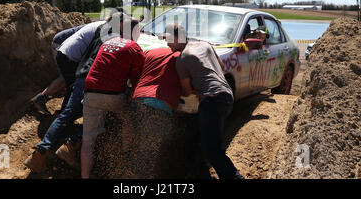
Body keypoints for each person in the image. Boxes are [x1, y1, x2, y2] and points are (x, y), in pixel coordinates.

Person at [23, 19, 110, 173]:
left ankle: (42, 151)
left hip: (72, 57)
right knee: (96, 115)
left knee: (70, 102)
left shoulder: (104, 27)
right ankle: (69, 143)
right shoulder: (108, 31)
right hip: (73, 58)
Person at [166, 24, 244, 180]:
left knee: (213, 150)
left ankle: (235, 178)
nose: (167, 43)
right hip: (227, 96)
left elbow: (186, 91)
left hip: (211, 100)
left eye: (168, 38)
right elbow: (221, 68)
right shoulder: (204, 44)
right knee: (208, 140)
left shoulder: (181, 59)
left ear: (178, 37)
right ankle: (200, 170)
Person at [80, 16, 145, 179]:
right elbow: (137, 80)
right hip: (113, 95)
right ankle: (124, 159)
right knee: (128, 122)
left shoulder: (108, 42)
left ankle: (84, 176)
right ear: (136, 31)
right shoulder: (134, 47)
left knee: (87, 141)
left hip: (90, 91)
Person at [128, 46, 190, 178]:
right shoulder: (181, 57)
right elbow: (187, 90)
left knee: (138, 143)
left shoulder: (151, 51)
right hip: (159, 105)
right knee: (148, 151)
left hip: (137, 100)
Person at [31, 25, 85, 115]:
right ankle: (42, 98)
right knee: (68, 77)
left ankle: (42, 98)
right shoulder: (103, 29)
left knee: (67, 77)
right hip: (62, 43)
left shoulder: (104, 27)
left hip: (65, 42)